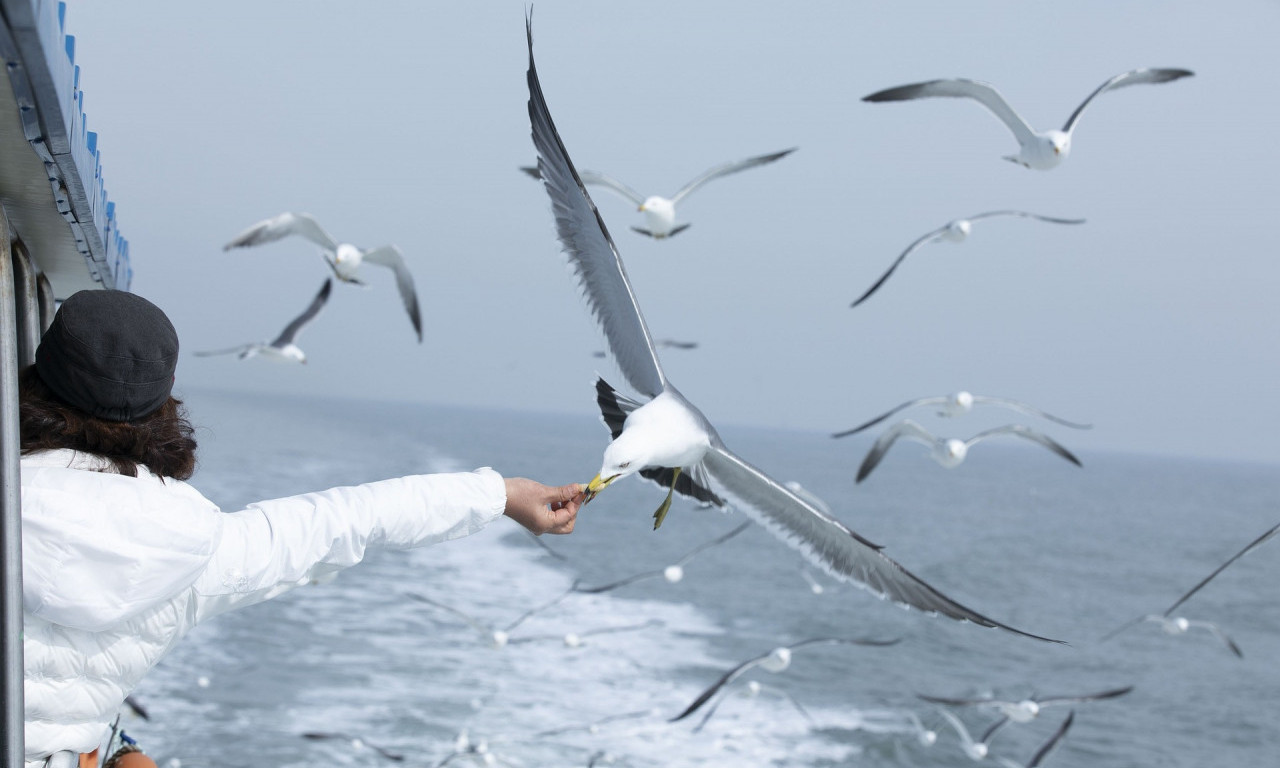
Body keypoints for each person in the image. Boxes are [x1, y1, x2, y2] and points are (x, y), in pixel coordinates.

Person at [17, 290, 584, 768]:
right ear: (162, 405)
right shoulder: (199, 549)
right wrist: (502, 494)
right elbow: (352, 518)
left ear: (35, 378)